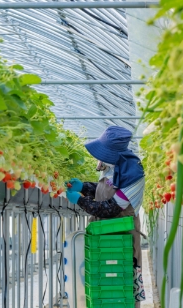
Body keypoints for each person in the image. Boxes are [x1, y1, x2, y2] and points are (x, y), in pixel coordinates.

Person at [66, 126, 146, 306]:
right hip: (102, 237)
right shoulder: (112, 167)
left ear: (116, 153)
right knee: (103, 285)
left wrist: (80, 201)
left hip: (122, 238)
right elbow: (104, 190)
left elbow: (111, 208)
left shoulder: (133, 174)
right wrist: (84, 187)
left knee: (121, 285)